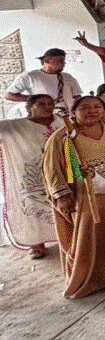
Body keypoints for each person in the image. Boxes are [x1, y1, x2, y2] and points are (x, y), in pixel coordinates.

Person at [43, 96, 105, 298]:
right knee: (93, 236)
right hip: (88, 194)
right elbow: (52, 169)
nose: (92, 111)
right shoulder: (64, 137)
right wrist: (61, 195)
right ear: (74, 112)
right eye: (85, 108)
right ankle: (93, 279)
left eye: (97, 107)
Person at [0, 95, 63, 258]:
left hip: (60, 170)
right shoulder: (15, 125)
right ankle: (36, 243)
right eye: (41, 104)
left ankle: (65, 237)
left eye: (50, 103)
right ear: (29, 108)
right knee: (33, 206)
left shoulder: (62, 122)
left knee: (61, 202)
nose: (47, 107)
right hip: (29, 174)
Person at [4, 48, 82, 117]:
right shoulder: (30, 76)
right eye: (60, 60)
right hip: (42, 118)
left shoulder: (68, 77)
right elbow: (9, 95)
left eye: (63, 60)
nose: (64, 63)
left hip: (66, 117)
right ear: (47, 61)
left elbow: (77, 96)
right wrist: (36, 100)